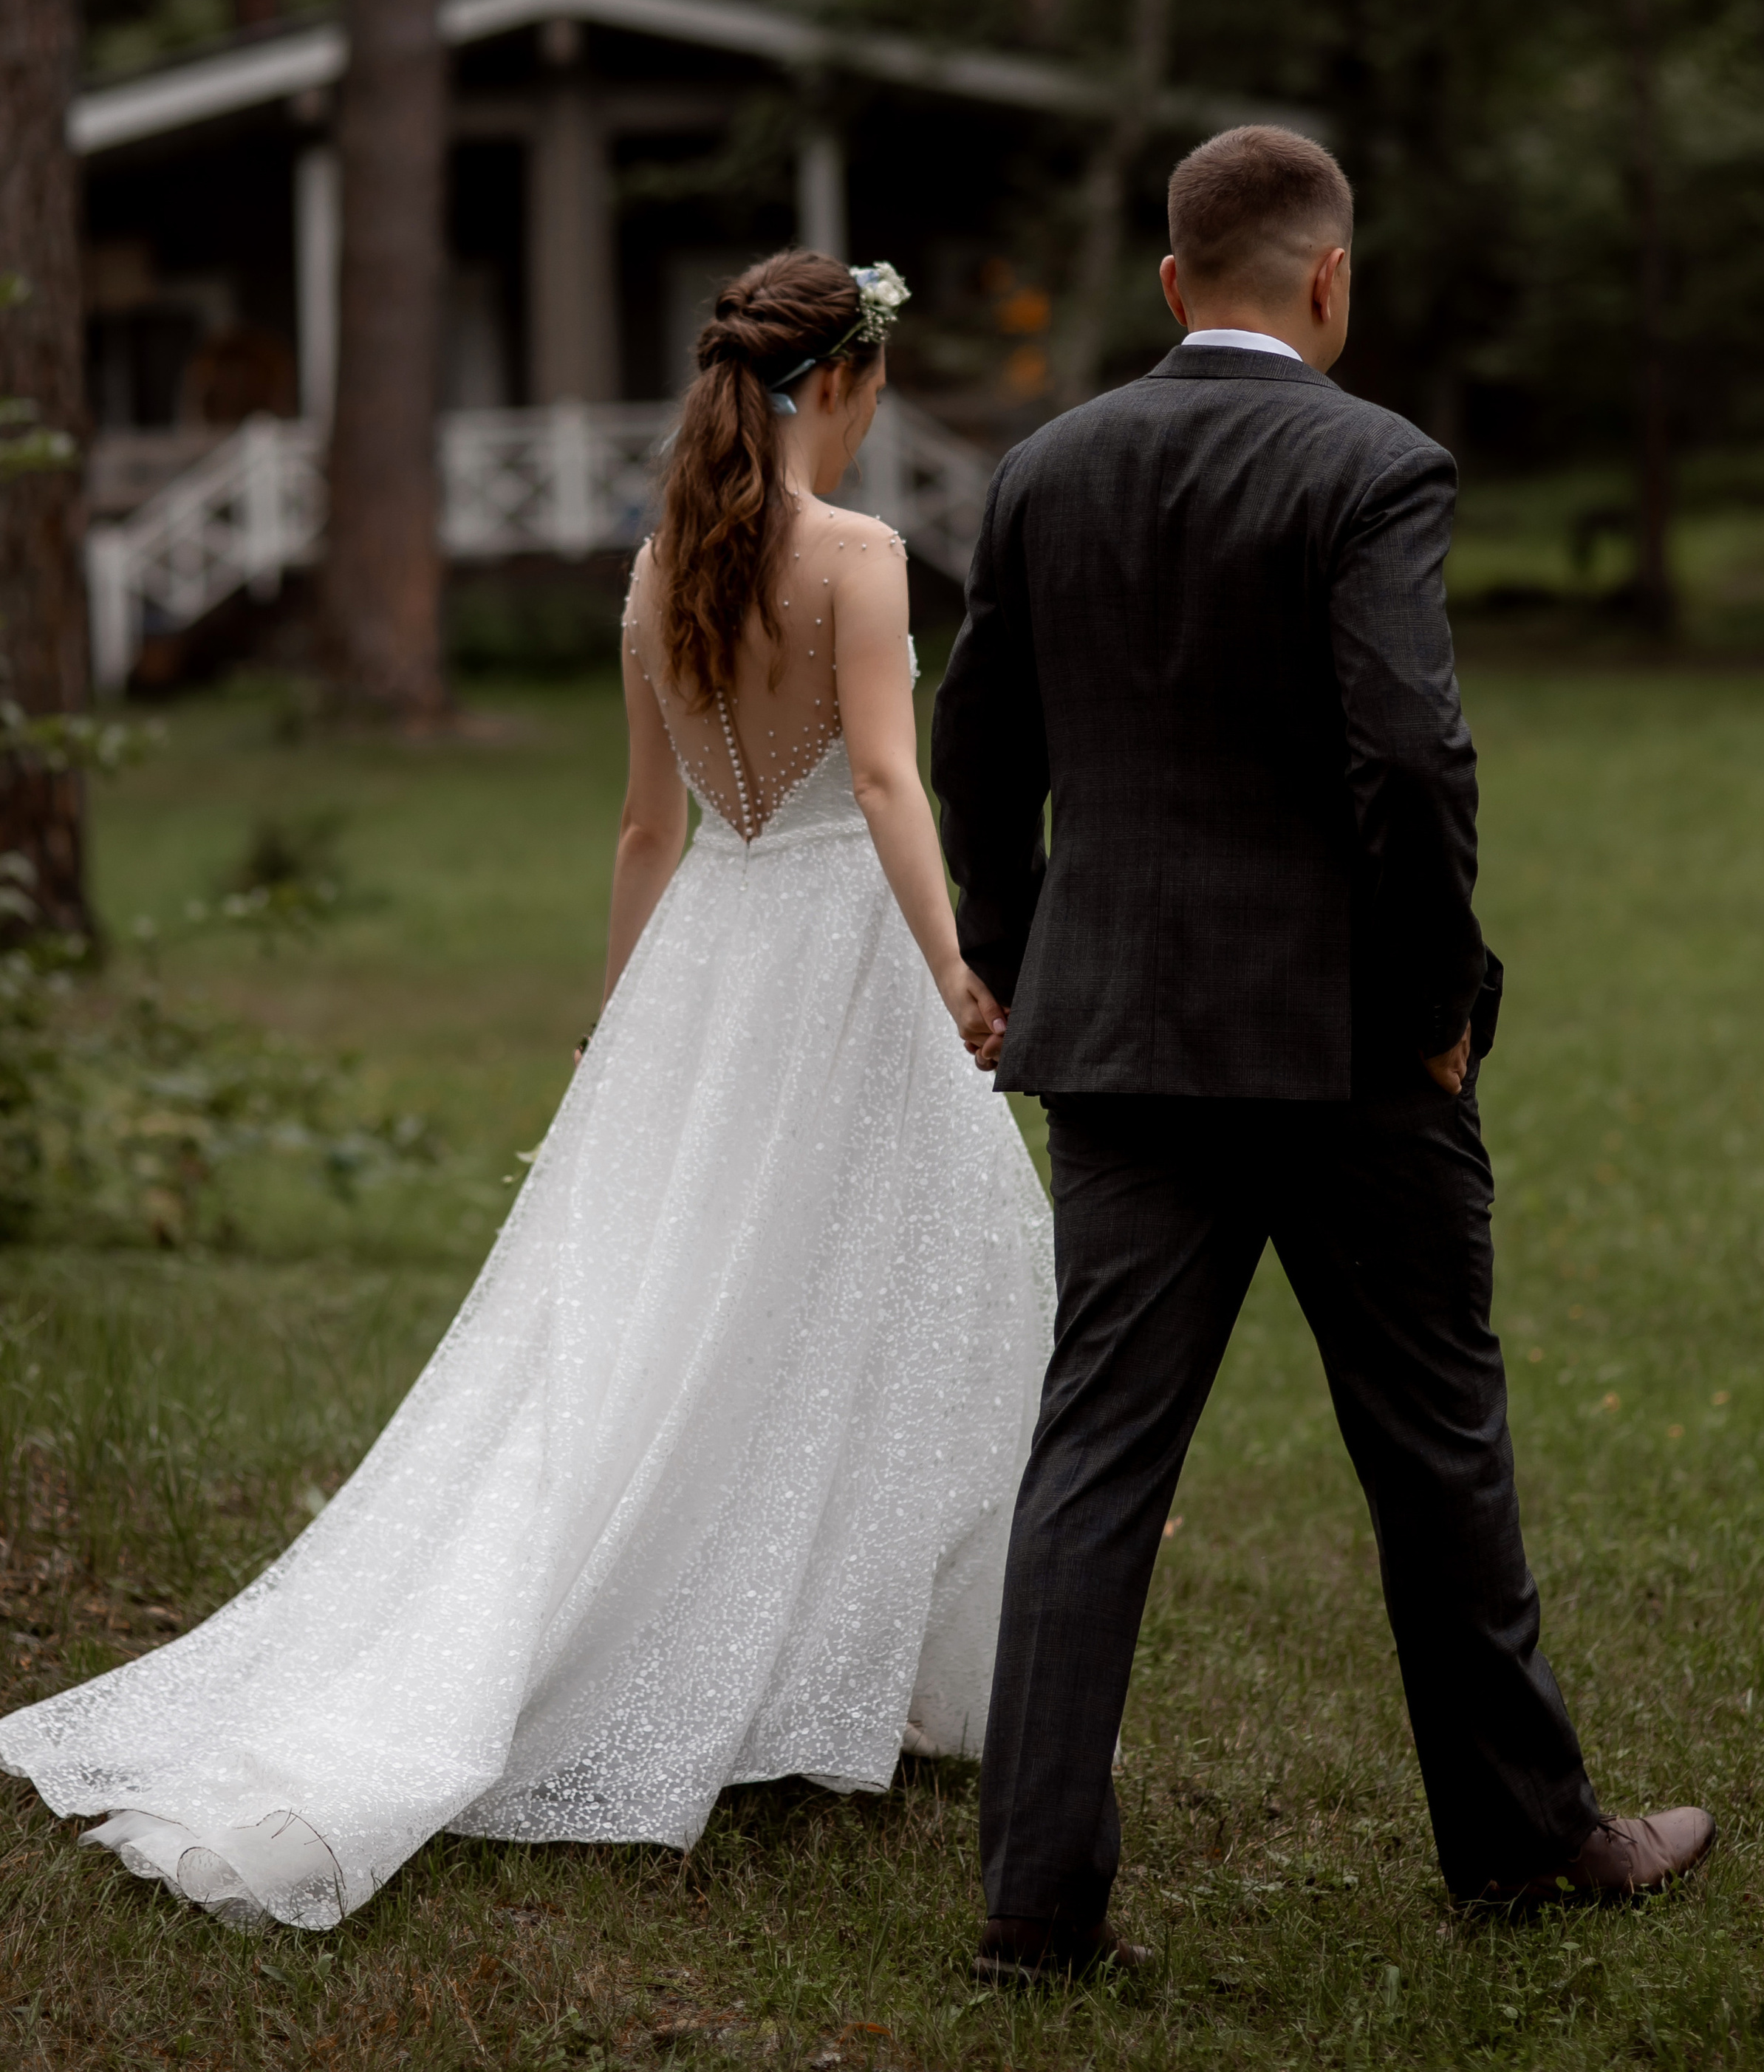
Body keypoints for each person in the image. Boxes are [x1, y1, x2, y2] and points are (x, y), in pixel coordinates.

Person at [0, 251, 1051, 1932]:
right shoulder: (856, 557)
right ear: (839, 386)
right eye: (870, 391)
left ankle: (826, 1656)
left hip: (711, 955)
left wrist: (622, 1028)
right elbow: (878, 774)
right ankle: (767, 1652)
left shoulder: (662, 570)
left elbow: (648, 830)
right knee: (914, 1276)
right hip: (843, 960)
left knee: (729, 1293)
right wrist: (951, 970)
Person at [931, 126, 1715, 1983]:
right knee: (1433, 1447)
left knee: (1091, 1468)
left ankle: (1032, 1912)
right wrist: (1433, 1000)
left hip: (1121, 1052)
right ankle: (1528, 1852)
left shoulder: (1046, 469)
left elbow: (979, 753)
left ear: (1174, 284)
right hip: (1359, 1055)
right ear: (1331, 280)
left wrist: (1028, 963)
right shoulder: (1372, 465)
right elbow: (1410, 761)